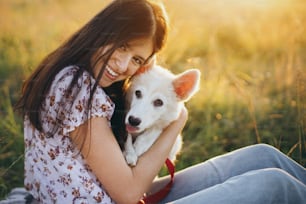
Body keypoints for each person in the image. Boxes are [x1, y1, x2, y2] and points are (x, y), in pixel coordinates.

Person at [14, 0, 305, 203]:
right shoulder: (75, 87)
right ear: (103, 30)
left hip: (105, 194)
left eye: (138, 59)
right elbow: (129, 194)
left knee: (263, 156)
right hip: (120, 197)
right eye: (122, 45)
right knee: (273, 184)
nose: (123, 64)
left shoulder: (79, 77)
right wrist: (176, 122)